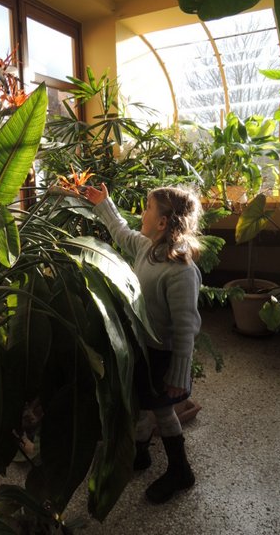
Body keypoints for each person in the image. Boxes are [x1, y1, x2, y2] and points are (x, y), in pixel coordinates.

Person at [83, 182, 202, 504]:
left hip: (164, 355)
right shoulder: (148, 249)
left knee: (162, 410)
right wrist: (103, 203)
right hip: (143, 347)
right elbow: (121, 232)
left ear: (163, 223)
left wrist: (178, 374)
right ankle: (140, 453)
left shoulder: (180, 271)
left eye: (147, 208)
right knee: (141, 403)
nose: (142, 214)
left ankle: (180, 470)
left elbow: (185, 328)